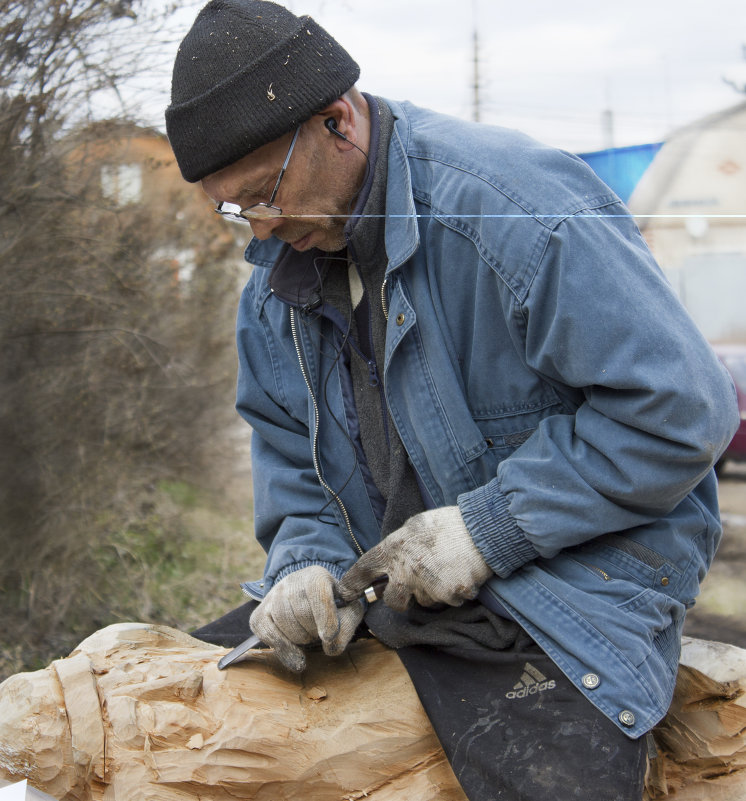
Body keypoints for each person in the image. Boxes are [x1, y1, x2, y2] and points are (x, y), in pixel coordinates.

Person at [165, 2, 740, 798]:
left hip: (572, 591)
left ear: (339, 120)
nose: (259, 230)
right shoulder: (275, 290)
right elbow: (297, 463)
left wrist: (485, 530)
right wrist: (304, 564)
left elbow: (682, 411)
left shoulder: (517, 212)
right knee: (184, 728)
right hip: (401, 595)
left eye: (266, 192)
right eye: (235, 209)